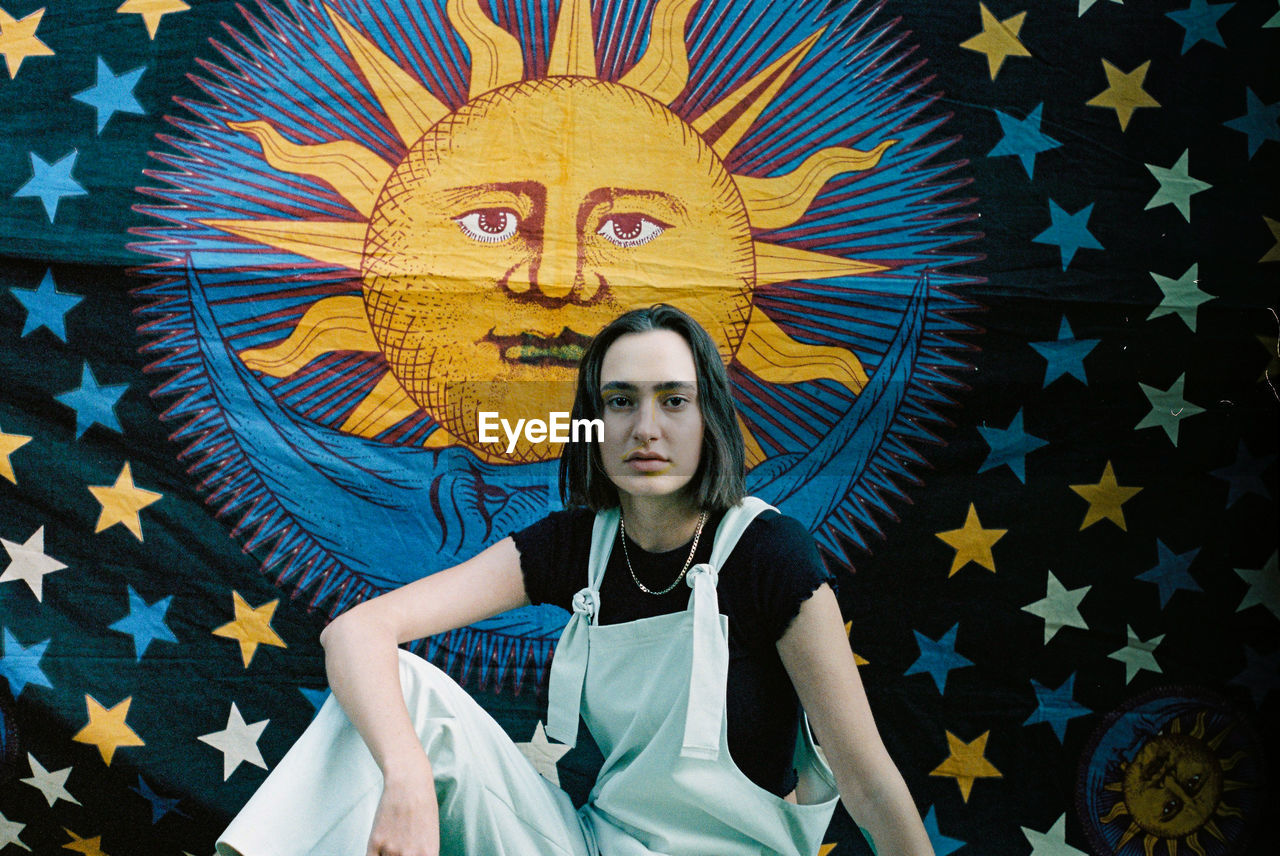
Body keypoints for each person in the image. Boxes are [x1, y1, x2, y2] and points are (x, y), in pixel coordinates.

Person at [216, 304, 933, 856]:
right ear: (593, 423)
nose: (645, 427)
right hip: (590, 843)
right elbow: (358, 632)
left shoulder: (770, 553)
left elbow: (867, 780)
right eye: (620, 401)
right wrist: (407, 779)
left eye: (673, 400)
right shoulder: (573, 545)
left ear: (710, 419)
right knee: (398, 691)